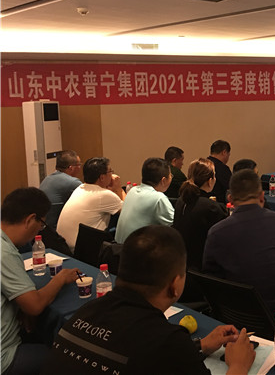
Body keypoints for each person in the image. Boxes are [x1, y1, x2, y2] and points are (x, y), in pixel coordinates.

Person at [43, 225, 256, 375]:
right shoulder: (168, 341)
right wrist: (238, 365)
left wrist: (200, 346)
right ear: (174, 284)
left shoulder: (87, 310)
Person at [203, 169, 275, 346]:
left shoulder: (216, 233)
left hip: (240, 325)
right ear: (262, 197)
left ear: (230, 200)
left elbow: (213, 284)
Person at [1, 188, 80, 375]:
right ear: (30, 220)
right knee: (71, 357)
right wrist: (61, 278)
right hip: (4, 356)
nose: (40, 230)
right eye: (41, 224)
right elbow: (34, 306)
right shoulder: (4, 252)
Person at [57, 157, 125, 251]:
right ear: (102, 177)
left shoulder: (80, 188)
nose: (112, 175)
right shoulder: (103, 195)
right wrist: (118, 188)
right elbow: (127, 210)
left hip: (64, 247)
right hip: (83, 251)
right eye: (110, 171)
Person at [173, 158, 227, 271]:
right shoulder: (210, 207)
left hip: (182, 262)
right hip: (202, 267)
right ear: (210, 180)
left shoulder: (181, 201)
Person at [115, 158, 174, 244]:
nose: (171, 177)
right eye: (170, 175)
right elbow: (175, 226)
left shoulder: (132, 190)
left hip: (117, 248)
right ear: (163, 180)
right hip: (136, 250)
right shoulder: (158, 198)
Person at [208, 140, 232, 204]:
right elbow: (231, 187)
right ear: (224, 152)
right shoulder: (222, 168)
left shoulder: (201, 165)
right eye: (228, 155)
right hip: (217, 204)